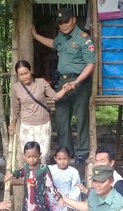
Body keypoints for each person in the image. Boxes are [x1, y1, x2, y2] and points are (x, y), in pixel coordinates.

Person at [31, 7, 96, 165]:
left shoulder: (83, 39)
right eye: (60, 23)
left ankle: (81, 152)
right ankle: (66, 151)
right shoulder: (61, 36)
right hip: (62, 83)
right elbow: (53, 44)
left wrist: (77, 81)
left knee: (81, 118)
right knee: (61, 118)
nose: (64, 25)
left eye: (66, 21)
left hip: (80, 84)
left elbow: (90, 64)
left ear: (73, 19)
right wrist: (36, 36)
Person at [8, 60, 69, 164]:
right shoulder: (16, 87)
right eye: (21, 75)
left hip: (43, 124)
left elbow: (55, 96)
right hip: (27, 126)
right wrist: (12, 124)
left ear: (31, 71)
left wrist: (65, 89)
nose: (24, 77)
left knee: (43, 154)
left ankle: (42, 177)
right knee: (28, 156)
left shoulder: (41, 82)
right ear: (18, 76)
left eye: (26, 73)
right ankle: (29, 178)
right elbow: (15, 108)